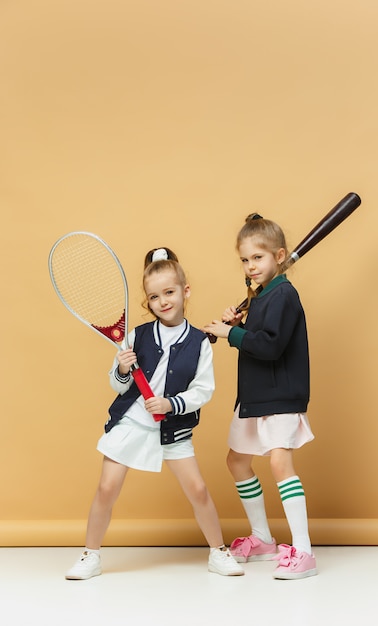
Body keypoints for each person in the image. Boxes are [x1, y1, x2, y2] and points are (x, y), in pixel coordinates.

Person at [66, 247, 244, 580]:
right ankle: (90, 555)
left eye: (170, 292)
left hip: (172, 428)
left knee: (199, 491)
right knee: (106, 488)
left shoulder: (200, 342)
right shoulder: (137, 335)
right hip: (132, 421)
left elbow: (203, 391)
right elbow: (118, 385)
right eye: (154, 296)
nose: (163, 301)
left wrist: (170, 404)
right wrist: (121, 370)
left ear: (185, 291)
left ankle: (218, 552)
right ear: (147, 301)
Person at [204, 213, 317, 580]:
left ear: (280, 256)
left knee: (280, 463)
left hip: (280, 395)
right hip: (254, 396)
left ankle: (303, 551)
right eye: (245, 259)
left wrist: (228, 334)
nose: (251, 266)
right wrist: (239, 325)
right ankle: (264, 539)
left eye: (259, 257)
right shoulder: (261, 296)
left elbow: (269, 347)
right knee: (237, 461)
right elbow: (259, 337)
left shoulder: (283, 294)